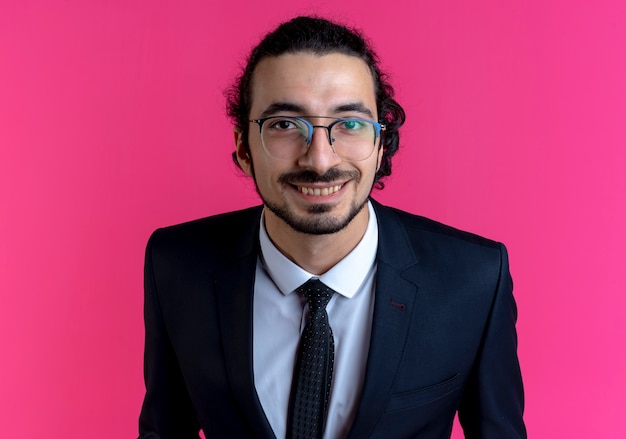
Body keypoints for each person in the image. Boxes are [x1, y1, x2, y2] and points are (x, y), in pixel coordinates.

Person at [138, 16, 526, 439]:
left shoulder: (474, 279)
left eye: (350, 123)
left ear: (381, 145)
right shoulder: (175, 265)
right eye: (285, 124)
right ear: (243, 148)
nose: (320, 160)